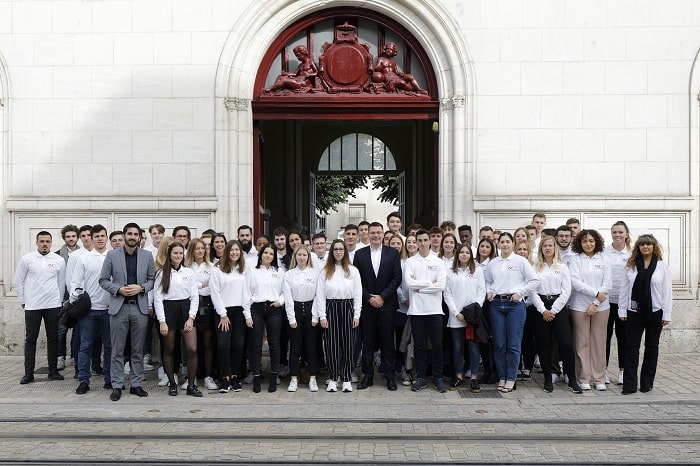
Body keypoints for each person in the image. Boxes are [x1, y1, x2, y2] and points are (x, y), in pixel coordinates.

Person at [99, 223, 155, 401]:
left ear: (139, 237)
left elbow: (152, 279)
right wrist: (118, 290)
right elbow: (103, 280)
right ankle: (117, 385)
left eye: (135, 234)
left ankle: (136, 384)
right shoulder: (112, 255)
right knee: (117, 350)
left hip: (139, 307)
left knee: (138, 350)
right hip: (119, 307)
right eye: (129, 234)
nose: (132, 237)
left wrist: (141, 288)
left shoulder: (147, 256)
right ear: (124, 236)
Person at [484, 232, 539, 393]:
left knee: (514, 344)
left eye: (508, 241)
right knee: (499, 344)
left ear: (513, 243)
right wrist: (489, 291)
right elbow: (487, 280)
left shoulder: (520, 261)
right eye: (502, 242)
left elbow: (535, 280)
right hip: (496, 305)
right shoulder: (493, 263)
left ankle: (511, 378)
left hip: (514, 305)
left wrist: (520, 293)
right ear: (498, 244)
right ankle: (502, 376)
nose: (505, 244)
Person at [619, 234, 672, 395]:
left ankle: (647, 384)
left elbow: (667, 291)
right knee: (631, 347)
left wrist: (666, 314)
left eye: (648, 244)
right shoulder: (631, 265)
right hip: (634, 311)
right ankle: (629, 385)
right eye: (642, 244)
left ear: (654, 247)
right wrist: (622, 309)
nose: (645, 247)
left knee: (652, 347)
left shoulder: (662, 266)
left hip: (655, 311)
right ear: (638, 247)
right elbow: (624, 289)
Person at [529, 236, 582, 394]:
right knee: (544, 345)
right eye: (544, 246)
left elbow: (566, 291)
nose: (547, 248)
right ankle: (547, 379)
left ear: (555, 248)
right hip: (541, 307)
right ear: (541, 248)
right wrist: (543, 310)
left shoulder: (562, 267)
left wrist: (553, 310)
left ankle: (572, 379)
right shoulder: (535, 267)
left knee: (566, 343)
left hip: (558, 307)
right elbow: (532, 291)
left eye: (550, 245)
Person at [353, 222, 402, 391]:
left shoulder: (392, 253)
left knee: (388, 342)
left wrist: (382, 297)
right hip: (367, 306)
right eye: (372, 232)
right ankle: (367, 376)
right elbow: (356, 281)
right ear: (367, 234)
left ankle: (390, 377)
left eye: (378, 232)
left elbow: (397, 278)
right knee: (367, 342)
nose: (375, 235)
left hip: (387, 304)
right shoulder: (360, 254)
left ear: (383, 234)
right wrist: (369, 298)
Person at [14, 231, 66, 384]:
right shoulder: (27, 259)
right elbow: (18, 281)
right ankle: (28, 374)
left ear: (51, 243)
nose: (44, 244)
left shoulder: (59, 260)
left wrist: (59, 301)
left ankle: (53, 371)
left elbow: (61, 283)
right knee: (31, 339)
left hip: (53, 305)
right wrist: (23, 301)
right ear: (36, 242)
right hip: (33, 306)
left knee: (53, 338)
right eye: (42, 241)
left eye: (47, 241)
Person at [313, 239, 362, 393]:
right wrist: (322, 316)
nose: (339, 252)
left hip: (348, 307)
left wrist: (356, 315)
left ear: (345, 251)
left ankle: (346, 379)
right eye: (336, 249)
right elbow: (320, 295)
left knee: (348, 345)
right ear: (332, 252)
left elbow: (358, 294)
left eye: (341, 249)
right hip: (331, 307)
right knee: (331, 345)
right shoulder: (325, 271)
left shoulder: (353, 271)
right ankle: (333, 378)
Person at [154, 242, 201, 397]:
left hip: (186, 310)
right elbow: (157, 298)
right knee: (169, 349)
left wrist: (191, 317)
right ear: (170, 254)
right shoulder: (161, 273)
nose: (178, 256)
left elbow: (194, 296)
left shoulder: (189, 272)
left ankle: (191, 385)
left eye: (181, 253)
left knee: (192, 349)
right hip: (168, 311)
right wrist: (162, 321)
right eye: (175, 253)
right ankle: (172, 384)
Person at [403, 229, 448, 393]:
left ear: (430, 241)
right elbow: (409, 284)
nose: (422, 243)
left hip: (434, 310)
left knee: (437, 345)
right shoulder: (410, 262)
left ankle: (438, 377)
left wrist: (420, 287)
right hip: (416, 311)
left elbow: (441, 286)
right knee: (419, 346)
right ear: (416, 242)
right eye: (419, 240)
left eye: (424, 240)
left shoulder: (439, 262)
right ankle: (420, 377)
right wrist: (430, 283)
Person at [70, 224, 113, 394]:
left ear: (106, 237)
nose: (100, 239)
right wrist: (80, 299)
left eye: (102, 235)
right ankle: (83, 380)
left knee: (110, 347)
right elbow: (75, 283)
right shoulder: (84, 258)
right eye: (97, 236)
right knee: (85, 346)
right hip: (89, 311)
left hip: (110, 311)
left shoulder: (114, 257)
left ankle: (109, 379)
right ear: (91, 238)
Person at [569, 229, 612, 391]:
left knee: (599, 342)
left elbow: (607, 283)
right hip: (580, 306)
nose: (588, 244)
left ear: (597, 242)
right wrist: (595, 294)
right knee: (582, 342)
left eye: (591, 241)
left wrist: (595, 303)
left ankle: (599, 378)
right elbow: (576, 283)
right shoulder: (575, 259)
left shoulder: (604, 259)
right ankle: (584, 377)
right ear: (580, 243)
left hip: (601, 306)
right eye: (585, 241)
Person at [443, 243, 485, 392]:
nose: (464, 255)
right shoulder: (450, 271)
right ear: (457, 254)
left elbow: (481, 292)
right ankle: (459, 377)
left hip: (472, 317)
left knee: (473, 348)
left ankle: (474, 378)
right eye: (462, 252)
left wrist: (474, 311)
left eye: (467, 253)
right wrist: (456, 313)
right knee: (457, 347)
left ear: (471, 255)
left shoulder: (477, 271)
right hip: (456, 317)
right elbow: (447, 294)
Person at [210, 240, 250, 394]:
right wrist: (223, 314)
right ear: (227, 252)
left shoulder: (244, 269)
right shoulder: (217, 269)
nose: (234, 253)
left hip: (240, 312)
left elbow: (247, 292)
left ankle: (234, 376)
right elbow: (215, 292)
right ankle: (225, 377)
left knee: (238, 345)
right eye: (232, 250)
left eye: (237, 250)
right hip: (223, 313)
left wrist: (246, 312)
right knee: (223, 345)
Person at [282, 246, 321, 392]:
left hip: (311, 310)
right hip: (295, 309)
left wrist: (315, 315)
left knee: (311, 348)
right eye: (299, 255)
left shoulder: (316, 273)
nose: (302, 257)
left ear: (308, 257)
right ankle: (294, 378)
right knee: (295, 348)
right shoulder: (289, 274)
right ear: (295, 256)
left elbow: (318, 295)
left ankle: (312, 378)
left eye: (304, 255)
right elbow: (287, 297)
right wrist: (291, 318)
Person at [248, 243, 285, 393]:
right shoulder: (253, 271)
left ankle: (273, 377)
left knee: (274, 344)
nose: (268, 255)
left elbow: (285, 291)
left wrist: (280, 302)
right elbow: (247, 291)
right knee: (256, 344)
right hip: (256, 308)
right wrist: (248, 310)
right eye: (265, 253)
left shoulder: (279, 271)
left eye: (271, 253)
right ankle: (256, 377)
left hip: (273, 308)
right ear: (261, 254)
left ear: (274, 256)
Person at [185, 238, 218, 391]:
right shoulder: (186, 267)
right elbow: (185, 286)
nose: (200, 251)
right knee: (191, 344)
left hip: (207, 305)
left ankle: (208, 376)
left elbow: (212, 287)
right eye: (197, 248)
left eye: (202, 248)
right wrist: (200, 284)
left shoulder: (211, 267)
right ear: (191, 250)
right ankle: (191, 376)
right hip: (190, 306)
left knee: (207, 343)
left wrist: (197, 285)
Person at [604, 221, 632, 386]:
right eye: (614, 232)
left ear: (626, 234)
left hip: (624, 304)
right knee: (604, 338)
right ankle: (603, 371)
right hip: (606, 302)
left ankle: (622, 371)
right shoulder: (604, 251)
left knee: (624, 339)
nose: (617, 235)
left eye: (620, 232)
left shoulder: (632, 253)